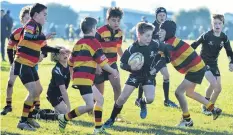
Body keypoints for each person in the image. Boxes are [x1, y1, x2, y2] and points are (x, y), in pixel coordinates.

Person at [57, 17, 118, 134]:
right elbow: (103, 63)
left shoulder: (78, 43)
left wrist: (72, 76)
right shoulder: (95, 43)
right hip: (85, 78)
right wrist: (113, 71)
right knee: (90, 105)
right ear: (93, 29)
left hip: (83, 78)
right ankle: (64, 118)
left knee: (99, 99)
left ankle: (98, 129)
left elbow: (70, 62)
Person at [15, 3, 69, 131]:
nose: (46, 17)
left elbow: (43, 47)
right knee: (33, 91)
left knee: (38, 90)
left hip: (31, 64)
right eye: (44, 14)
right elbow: (28, 36)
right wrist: (44, 36)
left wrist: (57, 51)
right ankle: (22, 121)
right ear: (36, 15)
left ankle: (29, 117)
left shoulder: (38, 27)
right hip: (23, 63)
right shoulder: (31, 24)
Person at [103, 22, 168, 128]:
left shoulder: (155, 45)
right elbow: (122, 64)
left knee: (150, 99)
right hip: (135, 75)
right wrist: (131, 68)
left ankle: (142, 101)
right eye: (147, 36)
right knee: (122, 98)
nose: (149, 38)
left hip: (148, 75)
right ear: (139, 35)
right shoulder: (132, 48)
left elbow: (163, 58)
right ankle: (111, 119)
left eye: (151, 35)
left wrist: (155, 69)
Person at [158, 20, 222, 127]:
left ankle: (187, 120)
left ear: (168, 32)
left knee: (179, 93)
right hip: (197, 67)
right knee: (190, 93)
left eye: (162, 30)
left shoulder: (170, 44)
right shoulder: (170, 42)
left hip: (195, 68)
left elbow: (164, 59)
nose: (159, 32)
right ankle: (213, 109)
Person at [191, 14, 233, 115]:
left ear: (223, 24)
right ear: (212, 24)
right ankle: (207, 107)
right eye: (215, 23)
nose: (217, 25)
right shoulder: (207, 35)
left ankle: (209, 106)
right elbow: (195, 44)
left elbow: (229, 51)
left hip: (214, 64)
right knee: (214, 84)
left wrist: (231, 62)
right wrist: (185, 53)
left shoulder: (224, 37)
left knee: (218, 89)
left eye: (219, 23)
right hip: (203, 62)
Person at [136, 7, 178, 108]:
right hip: (151, 56)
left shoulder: (166, 27)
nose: (162, 17)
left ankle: (166, 100)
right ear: (156, 16)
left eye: (164, 15)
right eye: (160, 15)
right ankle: (139, 99)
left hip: (160, 57)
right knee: (145, 76)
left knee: (166, 76)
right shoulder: (151, 27)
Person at [94, 7, 124, 122]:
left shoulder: (120, 32)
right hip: (100, 65)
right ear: (108, 20)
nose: (116, 23)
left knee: (117, 88)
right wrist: (97, 65)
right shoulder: (100, 31)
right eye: (113, 20)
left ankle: (116, 115)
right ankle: (93, 112)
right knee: (99, 94)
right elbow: (95, 49)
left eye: (118, 20)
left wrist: (126, 60)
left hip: (112, 65)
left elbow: (119, 48)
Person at [47, 46, 71, 114]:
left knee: (59, 114)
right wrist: (69, 107)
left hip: (60, 94)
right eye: (61, 53)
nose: (65, 55)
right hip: (54, 95)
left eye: (65, 52)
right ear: (56, 56)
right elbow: (63, 91)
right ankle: (40, 115)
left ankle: (55, 112)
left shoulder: (69, 65)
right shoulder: (57, 70)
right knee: (67, 114)